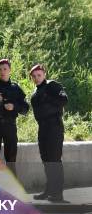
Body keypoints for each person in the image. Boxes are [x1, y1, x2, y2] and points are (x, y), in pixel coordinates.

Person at [29, 64, 68, 202]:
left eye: (39, 75)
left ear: (44, 74)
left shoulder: (52, 85)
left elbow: (64, 100)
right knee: (46, 160)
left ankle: (57, 194)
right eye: (33, 76)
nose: (36, 78)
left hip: (54, 127)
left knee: (54, 160)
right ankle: (49, 190)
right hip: (43, 129)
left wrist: (48, 97)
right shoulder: (35, 93)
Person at [0, 59, 29, 174]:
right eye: (0, 69)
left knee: (11, 158)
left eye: (5, 69)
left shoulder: (15, 88)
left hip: (10, 126)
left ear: (10, 70)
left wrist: (14, 107)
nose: (2, 71)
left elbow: (26, 108)